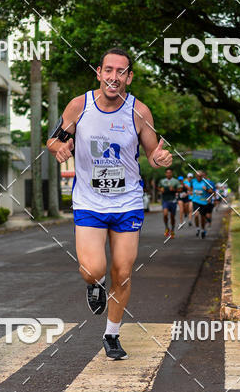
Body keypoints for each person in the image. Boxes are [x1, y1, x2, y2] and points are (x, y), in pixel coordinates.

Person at [47, 47, 172, 361]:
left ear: (129, 77)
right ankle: (94, 284)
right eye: (108, 70)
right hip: (89, 201)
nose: (113, 77)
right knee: (93, 269)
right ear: (99, 73)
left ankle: (112, 334)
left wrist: (160, 158)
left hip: (127, 201)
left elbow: (153, 153)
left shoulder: (139, 112)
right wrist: (59, 149)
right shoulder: (80, 106)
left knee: (124, 271)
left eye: (121, 72)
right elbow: (53, 139)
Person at [190, 170, 213, 238]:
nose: (198, 177)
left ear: (202, 176)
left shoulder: (206, 182)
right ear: (195, 176)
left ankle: (203, 230)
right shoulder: (193, 181)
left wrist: (206, 189)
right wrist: (192, 193)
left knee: (202, 218)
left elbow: (212, 191)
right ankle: (197, 228)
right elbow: (191, 188)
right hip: (195, 201)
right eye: (197, 176)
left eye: (200, 176)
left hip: (203, 202)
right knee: (196, 215)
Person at [159, 167, 180, 238]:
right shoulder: (162, 181)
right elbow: (159, 187)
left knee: (172, 217)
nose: (168, 174)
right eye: (167, 173)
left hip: (173, 200)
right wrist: (160, 189)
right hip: (165, 200)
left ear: (172, 173)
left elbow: (180, 189)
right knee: (165, 214)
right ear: (165, 174)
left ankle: (173, 230)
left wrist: (174, 189)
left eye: (170, 172)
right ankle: (167, 228)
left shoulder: (175, 181)